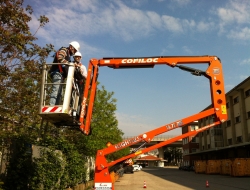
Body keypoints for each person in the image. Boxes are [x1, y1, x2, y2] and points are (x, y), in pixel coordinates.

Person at [49, 41, 80, 106]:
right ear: (71, 47)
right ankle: (52, 106)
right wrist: (70, 64)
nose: (74, 52)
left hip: (61, 75)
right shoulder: (64, 50)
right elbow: (60, 57)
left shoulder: (68, 54)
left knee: (59, 93)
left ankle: (56, 106)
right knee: (56, 91)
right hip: (57, 73)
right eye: (74, 50)